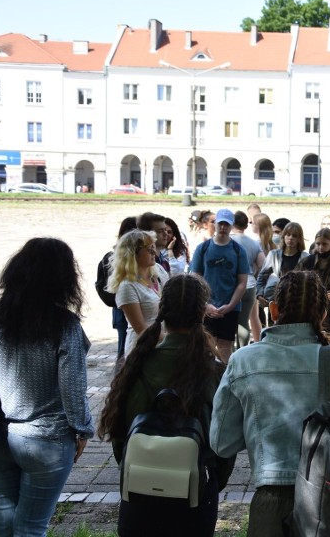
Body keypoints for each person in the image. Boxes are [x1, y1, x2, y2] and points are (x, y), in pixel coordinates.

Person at [209, 271, 330, 537]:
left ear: (273, 309)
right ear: (324, 314)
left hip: (271, 502)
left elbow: (222, 443)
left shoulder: (243, 361)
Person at [98, 274, 232, 537]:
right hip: (195, 494)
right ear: (202, 313)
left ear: (162, 310)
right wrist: (212, 482)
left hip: (139, 488)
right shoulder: (215, 372)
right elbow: (223, 443)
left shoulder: (136, 364)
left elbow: (119, 434)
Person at [0, 238, 93, 537]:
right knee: (31, 527)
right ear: (64, 278)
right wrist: (82, 429)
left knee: (2, 523)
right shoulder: (65, 325)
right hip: (48, 439)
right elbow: (73, 388)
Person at [190, 209, 249, 364]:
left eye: (226, 225)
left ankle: (223, 376)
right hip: (207, 306)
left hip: (229, 307)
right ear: (215, 224)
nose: (223, 228)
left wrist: (231, 305)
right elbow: (195, 278)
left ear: (231, 226)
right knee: (205, 345)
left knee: (225, 346)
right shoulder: (203, 248)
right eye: (220, 224)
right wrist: (205, 304)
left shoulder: (238, 250)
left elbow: (242, 282)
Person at [108, 230, 169, 355]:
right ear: (133, 253)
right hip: (143, 351)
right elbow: (141, 329)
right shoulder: (127, 286)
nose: (154, 252)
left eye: (153, 247)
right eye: (148, 249)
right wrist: (173, 340)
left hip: (165, 346)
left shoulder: (159, 270)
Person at [97, 216, 137, 362]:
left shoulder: (115, 255)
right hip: (124, 309)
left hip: (119, 310)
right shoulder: (121, 258)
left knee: (123, 350)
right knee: (125, 352)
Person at [255, 222, 309, 318]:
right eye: (288, 235)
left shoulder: (305, 257)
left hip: (298, 303)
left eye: (294, 236)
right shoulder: (274, 255)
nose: (291, 238)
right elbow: (262, 277)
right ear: (283, 236)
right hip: (276, 302)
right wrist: (259, 295)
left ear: (299, 239)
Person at [231, 211, 265, 346]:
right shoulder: (253, 243)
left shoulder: (228, 241)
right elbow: (263, 264)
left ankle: (230, 353)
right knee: (244, 321)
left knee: (230, 320)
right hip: (250, 284)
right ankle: (243, 349)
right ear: (246, 225)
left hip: (232, 285)